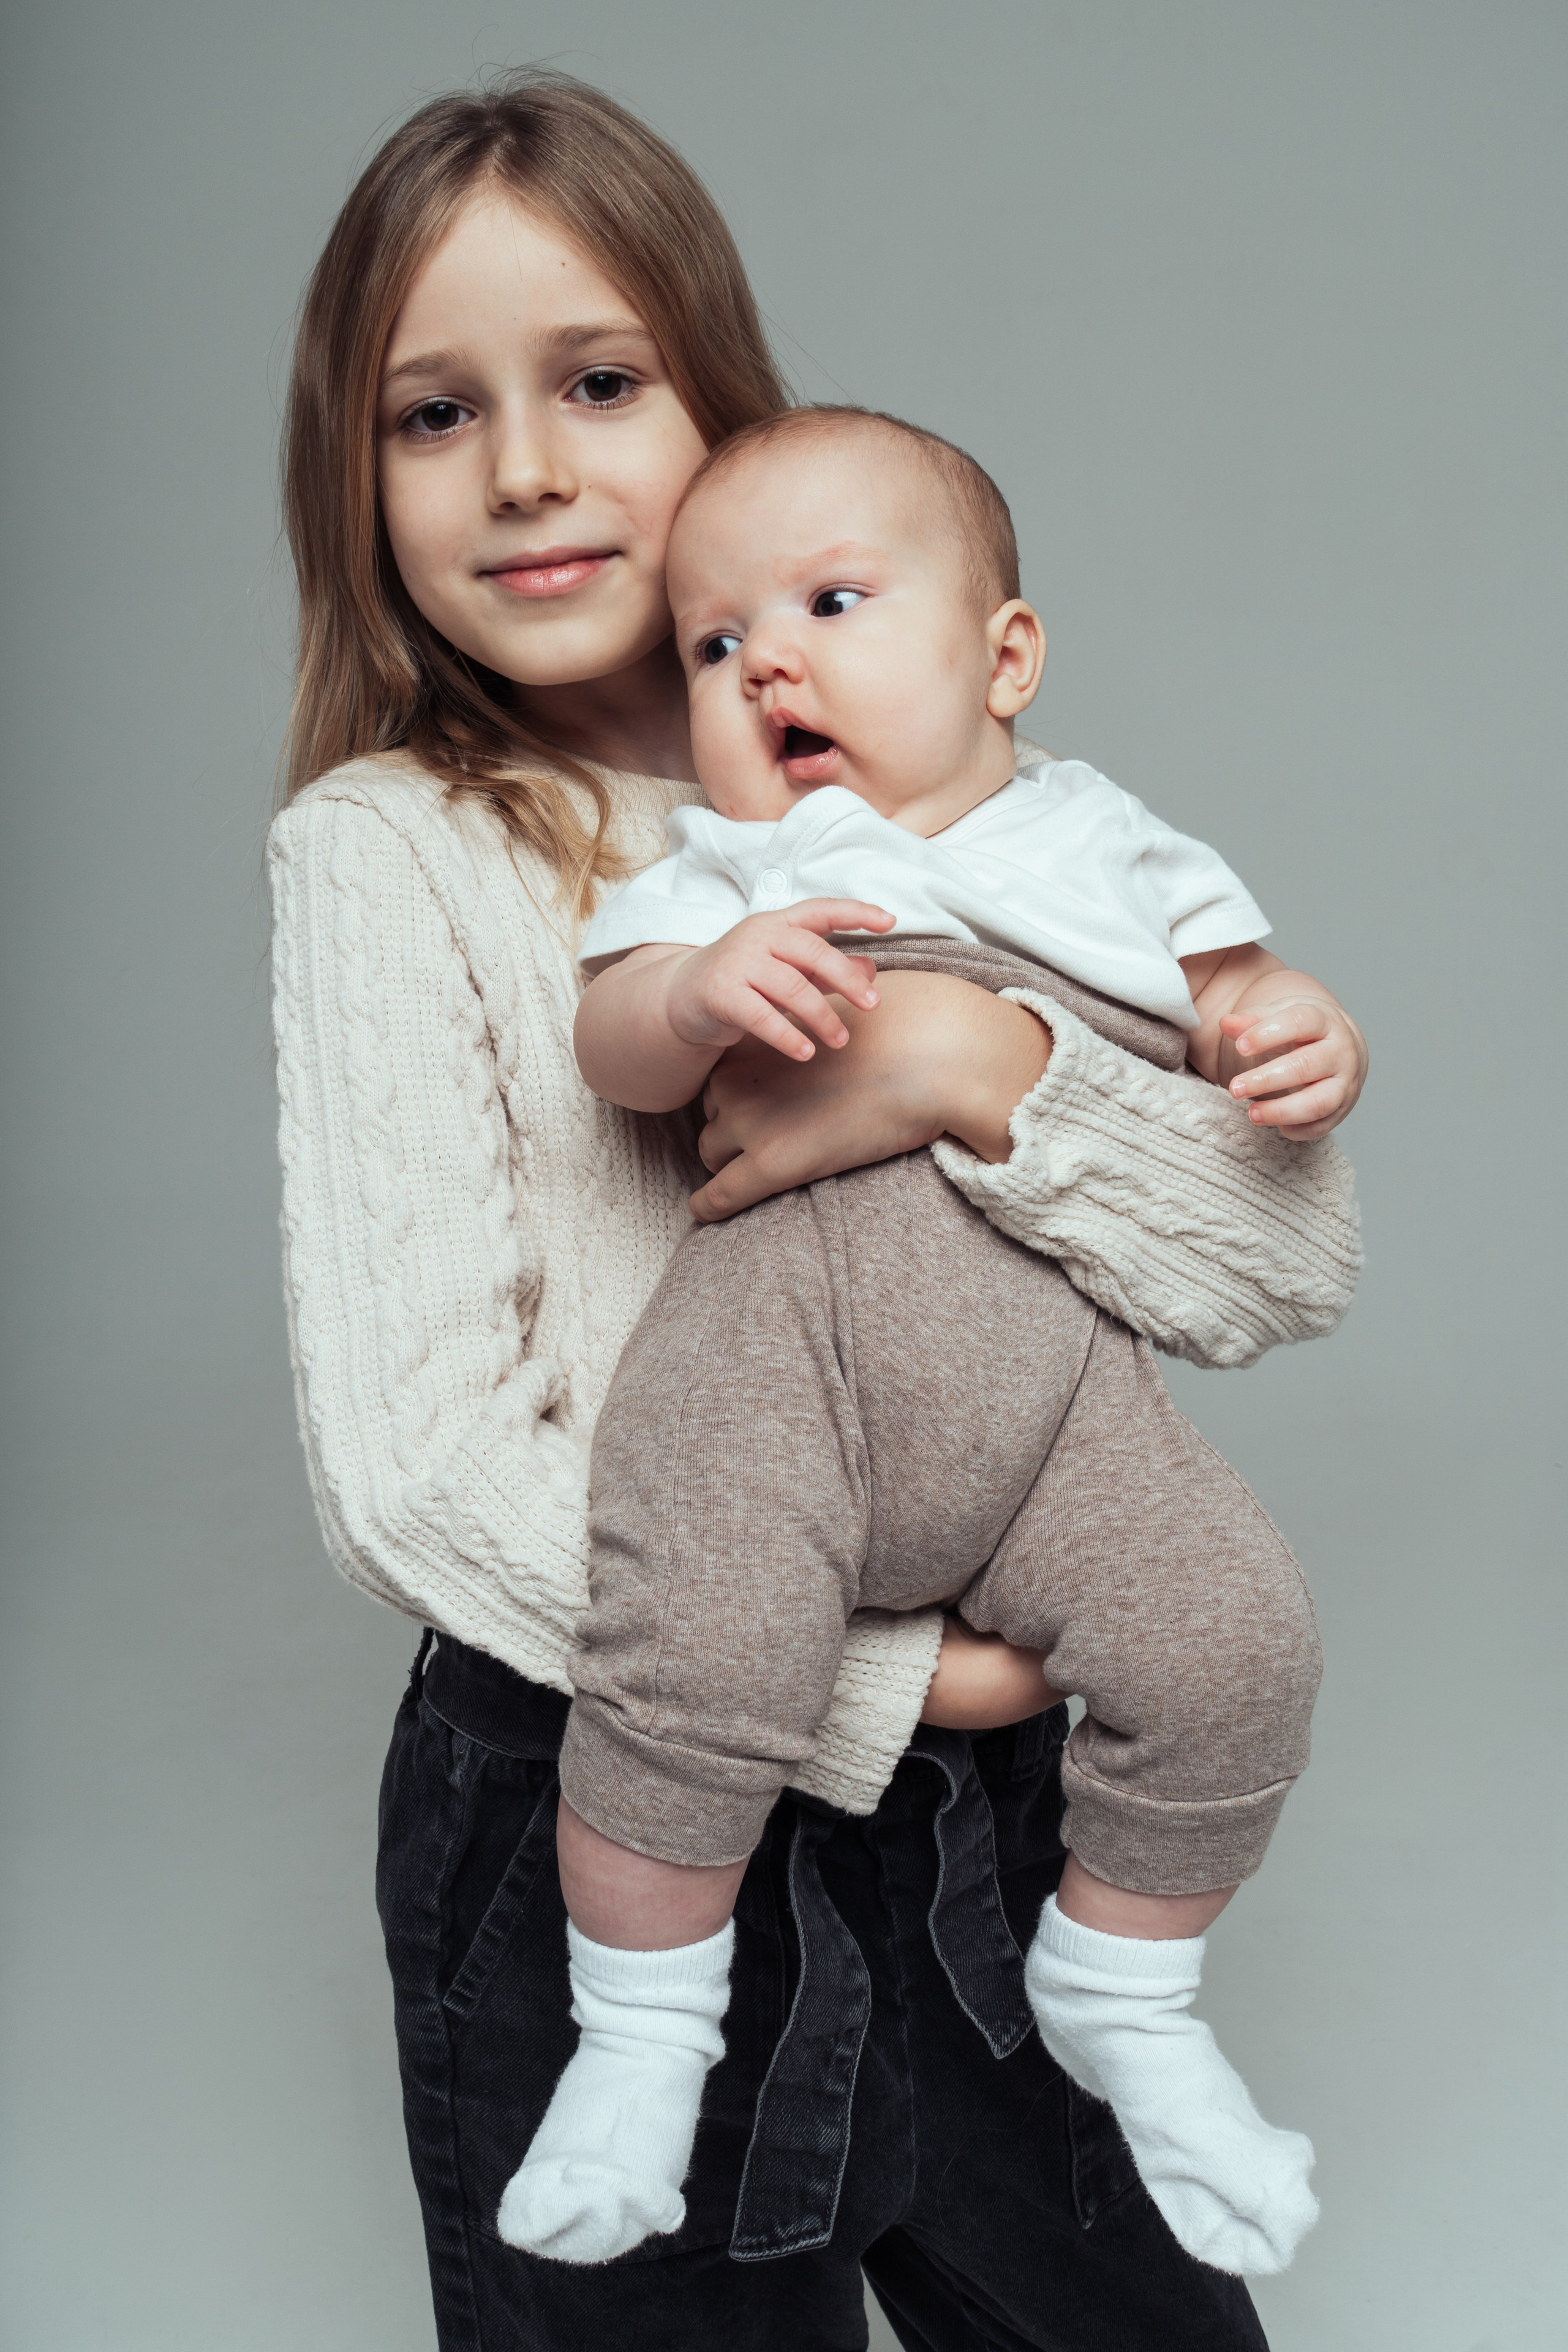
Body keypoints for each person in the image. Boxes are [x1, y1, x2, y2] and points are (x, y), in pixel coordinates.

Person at [269, 70, 1360, 2352]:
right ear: (353, 493)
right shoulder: (394, 852)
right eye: (432, 416)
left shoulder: (959, 771)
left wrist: (980, 1066)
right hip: (615, 1767)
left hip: (991, 1837)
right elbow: (420, 1470)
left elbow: (1276, 1261)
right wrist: (907, 1684)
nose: (533, 470)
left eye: (598, 382)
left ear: (722, 412)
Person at [500, 404, 1362, 2279]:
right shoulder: (737, 858)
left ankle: (1127, 1982)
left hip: (1056, 1410)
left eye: (827, 603)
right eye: (717, 645)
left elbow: (1235, 1007)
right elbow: (615, 1038)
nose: (768, 664)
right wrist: (696, 994)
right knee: (689, 1659)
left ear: (1006, 657)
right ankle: (641, 2044)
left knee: (1234, 1633)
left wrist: (1300, 1034)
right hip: (775, 1383)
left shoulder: (1112, 842)